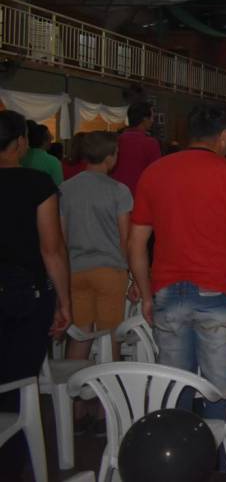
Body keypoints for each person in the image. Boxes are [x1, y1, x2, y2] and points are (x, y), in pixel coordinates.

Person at [128, 105, 226, 419]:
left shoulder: (154, 172)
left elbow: (135, 243)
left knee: (176, 390)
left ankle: (181, 449)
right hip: (219, 292)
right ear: (225, 135)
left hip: (167, 293)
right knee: (219, 391)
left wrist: (146, 294)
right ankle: (216, 449)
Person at [0, 111, 71, 476]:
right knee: (18, 383)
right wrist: (64, 301)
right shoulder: (37, 183)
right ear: (21, 143)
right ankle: (12, 461)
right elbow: (51, 249)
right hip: (24, 293)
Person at [59, 132, 134, 428]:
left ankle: (75, 408)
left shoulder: (65, 189)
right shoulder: (119, 191)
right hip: (109, 271)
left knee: (80, 337)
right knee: (109, 338)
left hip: (75, 270)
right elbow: (125, 238)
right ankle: (106, 409)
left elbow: (61, 236)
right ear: (110, 157)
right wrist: (129, 271)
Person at [111, 101, 161, 196]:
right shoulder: (150, 143)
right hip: (138, 195)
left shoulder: (115, 140)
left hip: (114, 194)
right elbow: (156, 174)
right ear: (144, 119)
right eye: (151, 117)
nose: (152, 121)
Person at [22, 120, 63, 186]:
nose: (52, 138)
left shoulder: (20, 158)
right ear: (44, 141)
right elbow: (59, 187)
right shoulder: (53, 162)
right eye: (50, 137)